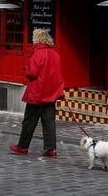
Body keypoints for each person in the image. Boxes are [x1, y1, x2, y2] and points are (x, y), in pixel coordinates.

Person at [9, 28, 64, 158]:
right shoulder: (55, 54)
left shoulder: (38, 53)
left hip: (37, 93)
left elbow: (32, 73)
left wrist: (26, 69)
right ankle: (51, 149)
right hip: (50, 93)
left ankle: (23, 146)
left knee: (29, 121)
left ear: (38, 39)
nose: (32, 40)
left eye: (33, 37)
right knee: (49, 122)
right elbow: (58, 75)